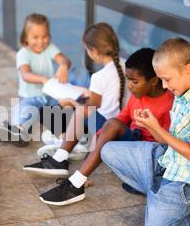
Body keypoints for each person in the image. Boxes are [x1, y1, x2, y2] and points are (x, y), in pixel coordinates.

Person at [101, 38, 190, 226]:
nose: (164, 86)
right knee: (108, 151)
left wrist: (157, 129)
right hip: (167, 160)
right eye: (161, 80)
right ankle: (158, 199)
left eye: (166, 79)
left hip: (188, 182)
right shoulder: (183, 92)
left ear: (188, 70)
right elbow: (169, 139)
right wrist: (149, 125)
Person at [33, 48, 174, 206]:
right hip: (130, 139)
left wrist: (151, 126)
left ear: (154, 81)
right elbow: (123, 117)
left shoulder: (169, 104)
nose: (130, 86)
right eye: (128, 80)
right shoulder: (138, 95)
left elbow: (166, 145)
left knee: (112, 124)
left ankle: (76, 184)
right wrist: (100, 134)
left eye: (135, 82)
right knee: (85, 110)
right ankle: (59, 159)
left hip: (146, 150)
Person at [23, 22, 128, 177]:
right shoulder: (124, 64)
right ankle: (68, 145)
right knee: (70, 109)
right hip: (118, 122)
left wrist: (72, 101)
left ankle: (60, 157)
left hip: (105, 126)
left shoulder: (100, 77)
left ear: (94, 51)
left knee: (69, 110)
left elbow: (90, 109)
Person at [0, 13, 72, 144]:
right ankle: (17, 131)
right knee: (24, 110)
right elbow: (25, 75)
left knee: (61, 110)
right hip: (30, 97)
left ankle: (64, 137)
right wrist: (43, 79)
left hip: (49, 97)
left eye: (45, 36)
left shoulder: (50, 48)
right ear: (26, 38)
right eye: (35, 37)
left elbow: (64, 60)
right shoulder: (23, 53)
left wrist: (64, 65)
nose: (41, 41)